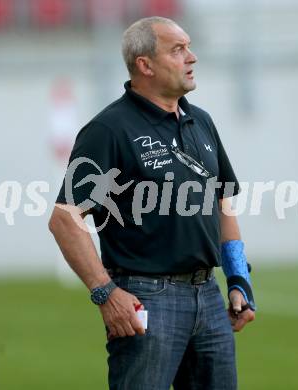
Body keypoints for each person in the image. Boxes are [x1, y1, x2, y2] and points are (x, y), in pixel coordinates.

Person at [49, 16, 256, 390]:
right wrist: (105, 293)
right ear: (145, 65)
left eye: (189, 47)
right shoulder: (109, 129)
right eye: (177, 50)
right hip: (146, 299)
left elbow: (223, 202)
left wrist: (239, 278)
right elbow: (65, 219)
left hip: (209, 297)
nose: (191, 57)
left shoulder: (201, 121)